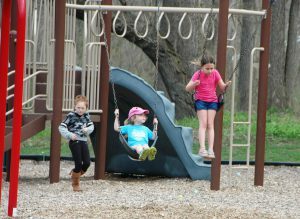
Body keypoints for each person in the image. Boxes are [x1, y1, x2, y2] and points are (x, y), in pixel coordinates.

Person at [185, 54, 231, 159]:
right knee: (203, 124)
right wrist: (194, 84)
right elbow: (187, 88)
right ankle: (202, 148)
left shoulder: (215, 73)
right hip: (200, 100)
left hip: (212, 101)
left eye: (212, 68)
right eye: (207, 69)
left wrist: (226, 85)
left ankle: (210, 149)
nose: (210, 71)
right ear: (202, 67)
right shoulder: (197, 74)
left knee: (210, 124)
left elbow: (222, 87)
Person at [59, 95, 94, 191]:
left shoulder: (87, 116)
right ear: (75, 107)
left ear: (86, 108)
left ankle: (75, 173)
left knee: (87, 162)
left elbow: (91, 127)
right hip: (74, 141)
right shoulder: (70, 116)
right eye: (78, 107)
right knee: (78, 163)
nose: (80, 110)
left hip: (84, 140)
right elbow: (61, 127)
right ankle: (75, 184)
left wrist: (87, 129)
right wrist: (69, 135)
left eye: (82, 108)